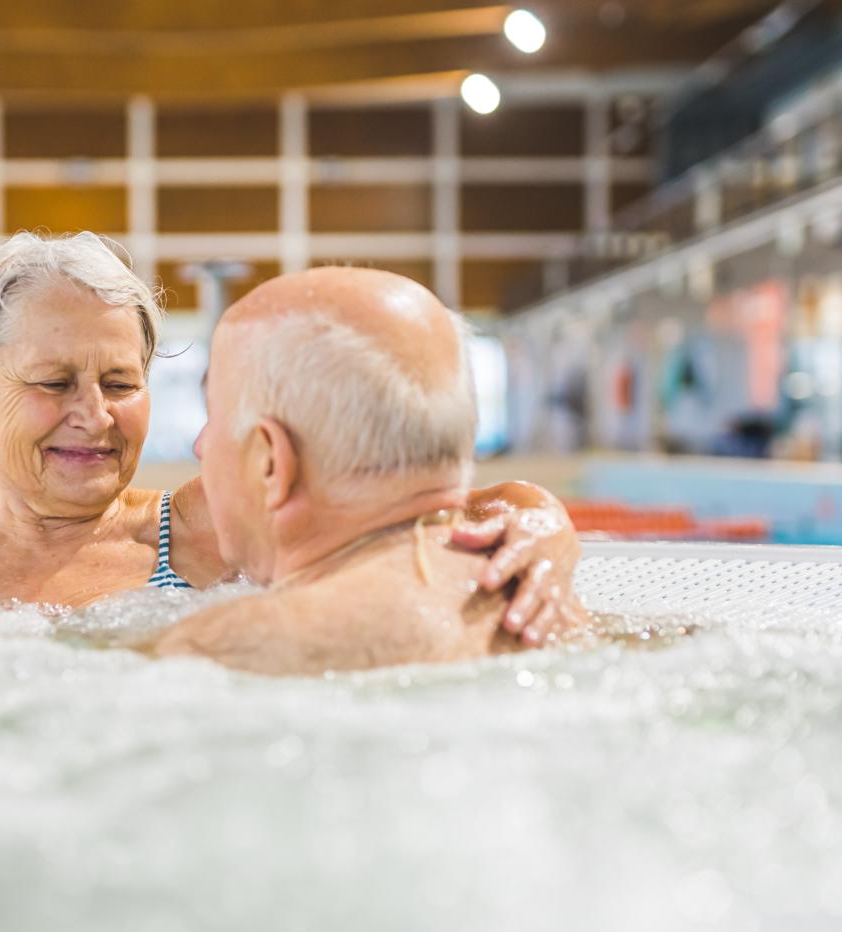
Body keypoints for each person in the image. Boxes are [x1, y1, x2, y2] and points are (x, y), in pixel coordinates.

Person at [0, 232, 583, 644]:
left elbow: (428, 504)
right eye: (54, 384)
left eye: (121, 383)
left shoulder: (200, 533)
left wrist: (542, 527)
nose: (96, 413)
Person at [150, 267, 585, 675]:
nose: (200, 446)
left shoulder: (226, 648)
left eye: (216, 418)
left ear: (271, 462)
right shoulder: (553, 616)